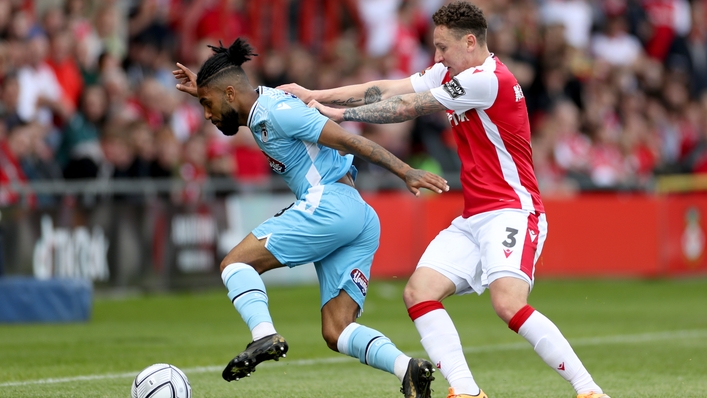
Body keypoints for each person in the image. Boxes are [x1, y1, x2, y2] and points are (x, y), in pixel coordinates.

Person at [279, 2, 610, 398]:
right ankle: (467, 391)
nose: (436, 57)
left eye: (442, 48)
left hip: (514, 211)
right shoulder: (452, 71)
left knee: (508, 304)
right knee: (419, 292)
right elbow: (387, 89)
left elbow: (406, 107)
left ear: (470, 42)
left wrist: (336, 114)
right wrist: (313, 93)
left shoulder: (488, 80)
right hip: (475, 217)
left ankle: (590, 391)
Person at [172, 37, 450, 398]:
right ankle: (407, 370)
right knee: (337, 330)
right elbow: (239, 107)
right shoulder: (258, 108)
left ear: (228, 94)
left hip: (330, 203)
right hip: (357, 216)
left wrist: (404, 170)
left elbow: (347, 140)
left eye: (207, 104)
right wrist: (203, 90)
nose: (206, 115)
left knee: (235, 264)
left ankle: (264, 336)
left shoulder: (278, 111)